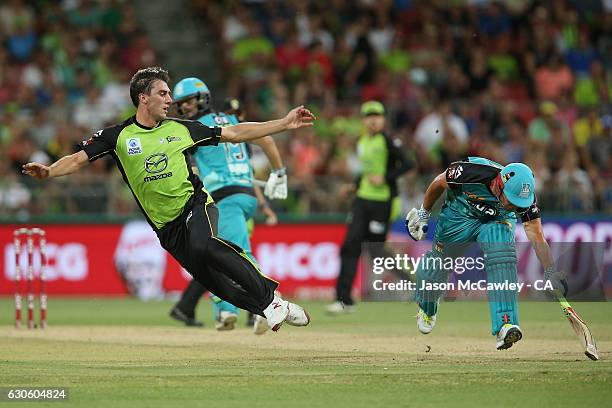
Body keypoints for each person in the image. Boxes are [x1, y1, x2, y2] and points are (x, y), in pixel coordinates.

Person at [22, 67, 315, 332]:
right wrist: (48, 172)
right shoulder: (117, 135)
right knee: (211, 280)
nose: (169, 99)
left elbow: (236, 132)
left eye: (170, 94)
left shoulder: (181, 128)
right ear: (143, 98)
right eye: (162, 93)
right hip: (165, 227)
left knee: (205, 245)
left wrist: (284, 123)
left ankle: (271, 299)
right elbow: (76, 160)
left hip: (195, 204)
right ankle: (271, 306)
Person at [405, 156, 567, 350]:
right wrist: (424, 212)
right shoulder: (471, 171)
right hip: (458, 216)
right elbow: (439, 182)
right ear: (499, 185)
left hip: (495, 221)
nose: (516, 206)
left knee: (502, 256)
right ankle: (427, 306)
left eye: (520, 203)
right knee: (436, 267)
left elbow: (536, 234)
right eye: (512, 200)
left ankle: (505, 324)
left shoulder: (525, 198)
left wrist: (550, 270)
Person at [169, 78, 286, 333]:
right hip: (244, 193)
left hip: (224, 197)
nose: (185, 108)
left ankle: (266, 306)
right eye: (181, 104)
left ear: (202, 98)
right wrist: (279, 171)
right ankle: (226, 311)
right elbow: (265, 139)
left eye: (188, 101)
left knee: (237, 253)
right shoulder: (230, 121)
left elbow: (192, 168)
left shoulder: (194, 128)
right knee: (219, 253)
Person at [326, 101, 413, 315]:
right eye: (369, 116)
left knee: (377, 251)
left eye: (377, 116)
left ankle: (414, 282)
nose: (373, 119)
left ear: (383, 119)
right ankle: (344, 299)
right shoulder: (363, 141)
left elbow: (408, 164)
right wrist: (354, 186)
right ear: (364, 120)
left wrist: (385, 177)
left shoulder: (389, 140)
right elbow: (366, 170)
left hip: (382, 202)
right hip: (362, 200)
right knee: (350, 245)